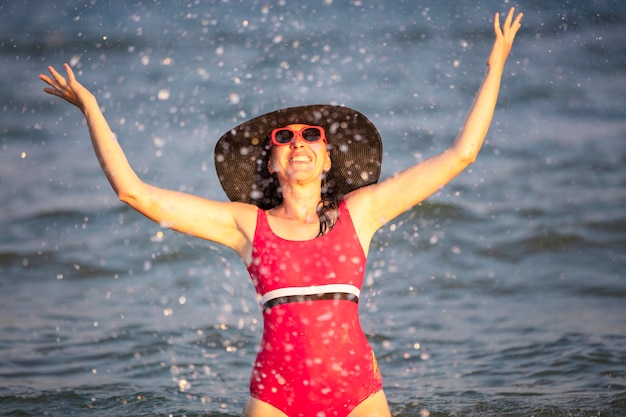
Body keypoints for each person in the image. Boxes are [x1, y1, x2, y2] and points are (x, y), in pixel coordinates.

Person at [39, 7, 523, 417]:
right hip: (276, 398)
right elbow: (134, 193)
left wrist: (495, 65)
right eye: (284, 138)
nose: (299, 143)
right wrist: (91, 107)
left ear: (328, 157)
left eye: (312, 135)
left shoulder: (363, 212)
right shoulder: (245, 224)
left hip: (360, 395)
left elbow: (461, 155)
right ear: (271, 162)